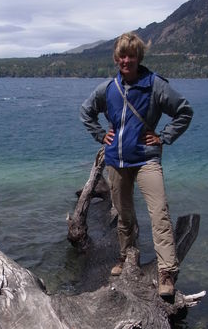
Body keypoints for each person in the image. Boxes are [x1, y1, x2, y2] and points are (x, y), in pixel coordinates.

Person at [80, 32, 193, 298]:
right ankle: (127, 257)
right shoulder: (108, 89)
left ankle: (166, 272)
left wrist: (163, 136)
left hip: (146, 159)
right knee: (124, 215)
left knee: (159, 212)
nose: (126, 61)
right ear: (116, 58)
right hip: (117, 161)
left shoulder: (155, 85)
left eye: (131, 56)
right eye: (122, 56)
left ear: (138, 57)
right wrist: (100, 135)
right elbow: (86, 111)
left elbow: (184, 111)